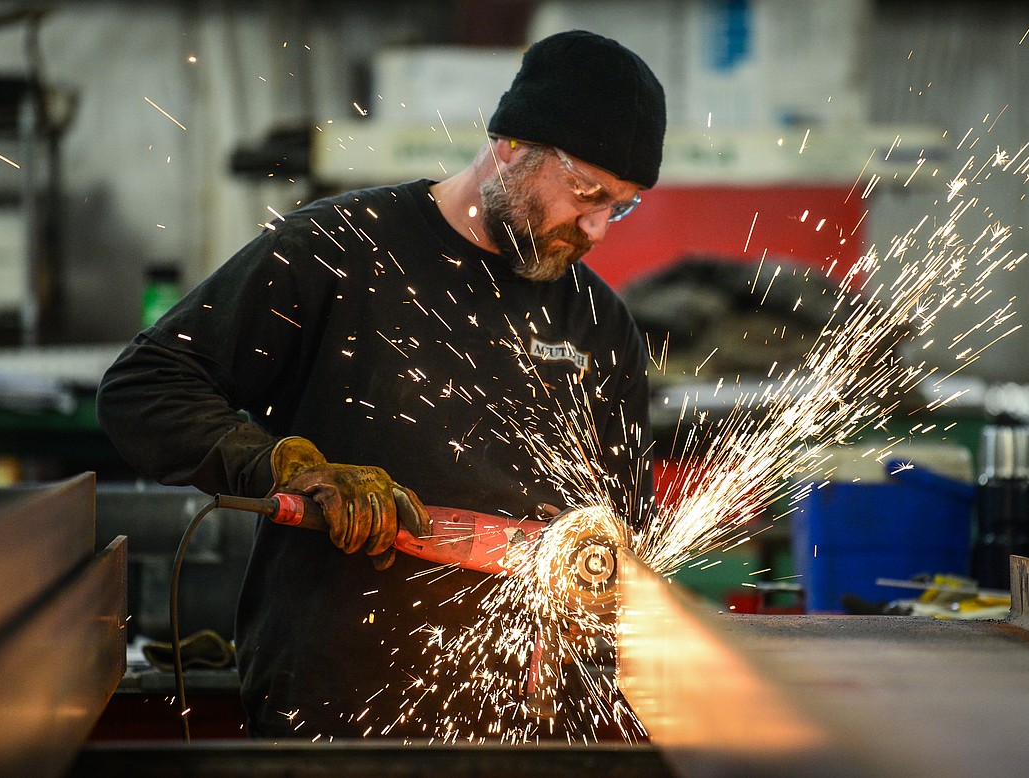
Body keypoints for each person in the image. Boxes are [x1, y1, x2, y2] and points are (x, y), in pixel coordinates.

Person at [97, 29, 666, 741]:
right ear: (513, 145)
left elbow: (625, 536)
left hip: (529, 724)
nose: (598, 228)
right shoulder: (341, 251)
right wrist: (283, 465)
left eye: (623, 205)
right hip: (338, 711)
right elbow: (143, 387)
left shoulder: (598, 323)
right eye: (587, 194)